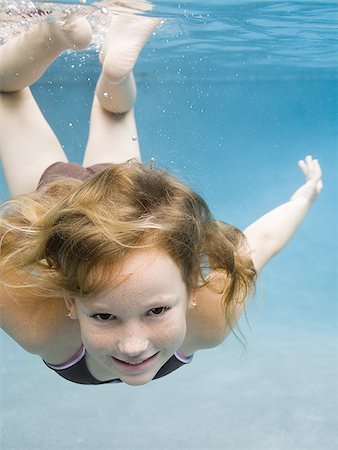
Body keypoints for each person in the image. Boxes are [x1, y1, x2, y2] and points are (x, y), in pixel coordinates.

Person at [0, 11, 323, 386]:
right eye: (104, 316)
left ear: (190, 292)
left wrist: (303, 199)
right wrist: (303, 199)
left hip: (106, 206)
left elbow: (258, 245)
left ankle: (80, 46)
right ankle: (72, 42)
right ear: (70, 304)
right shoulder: (210, 317)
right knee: (13, 92)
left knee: (101, 110)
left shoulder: (37, 326)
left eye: (156, 310)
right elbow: (258, 244)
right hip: (86, 203)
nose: (133, 346)